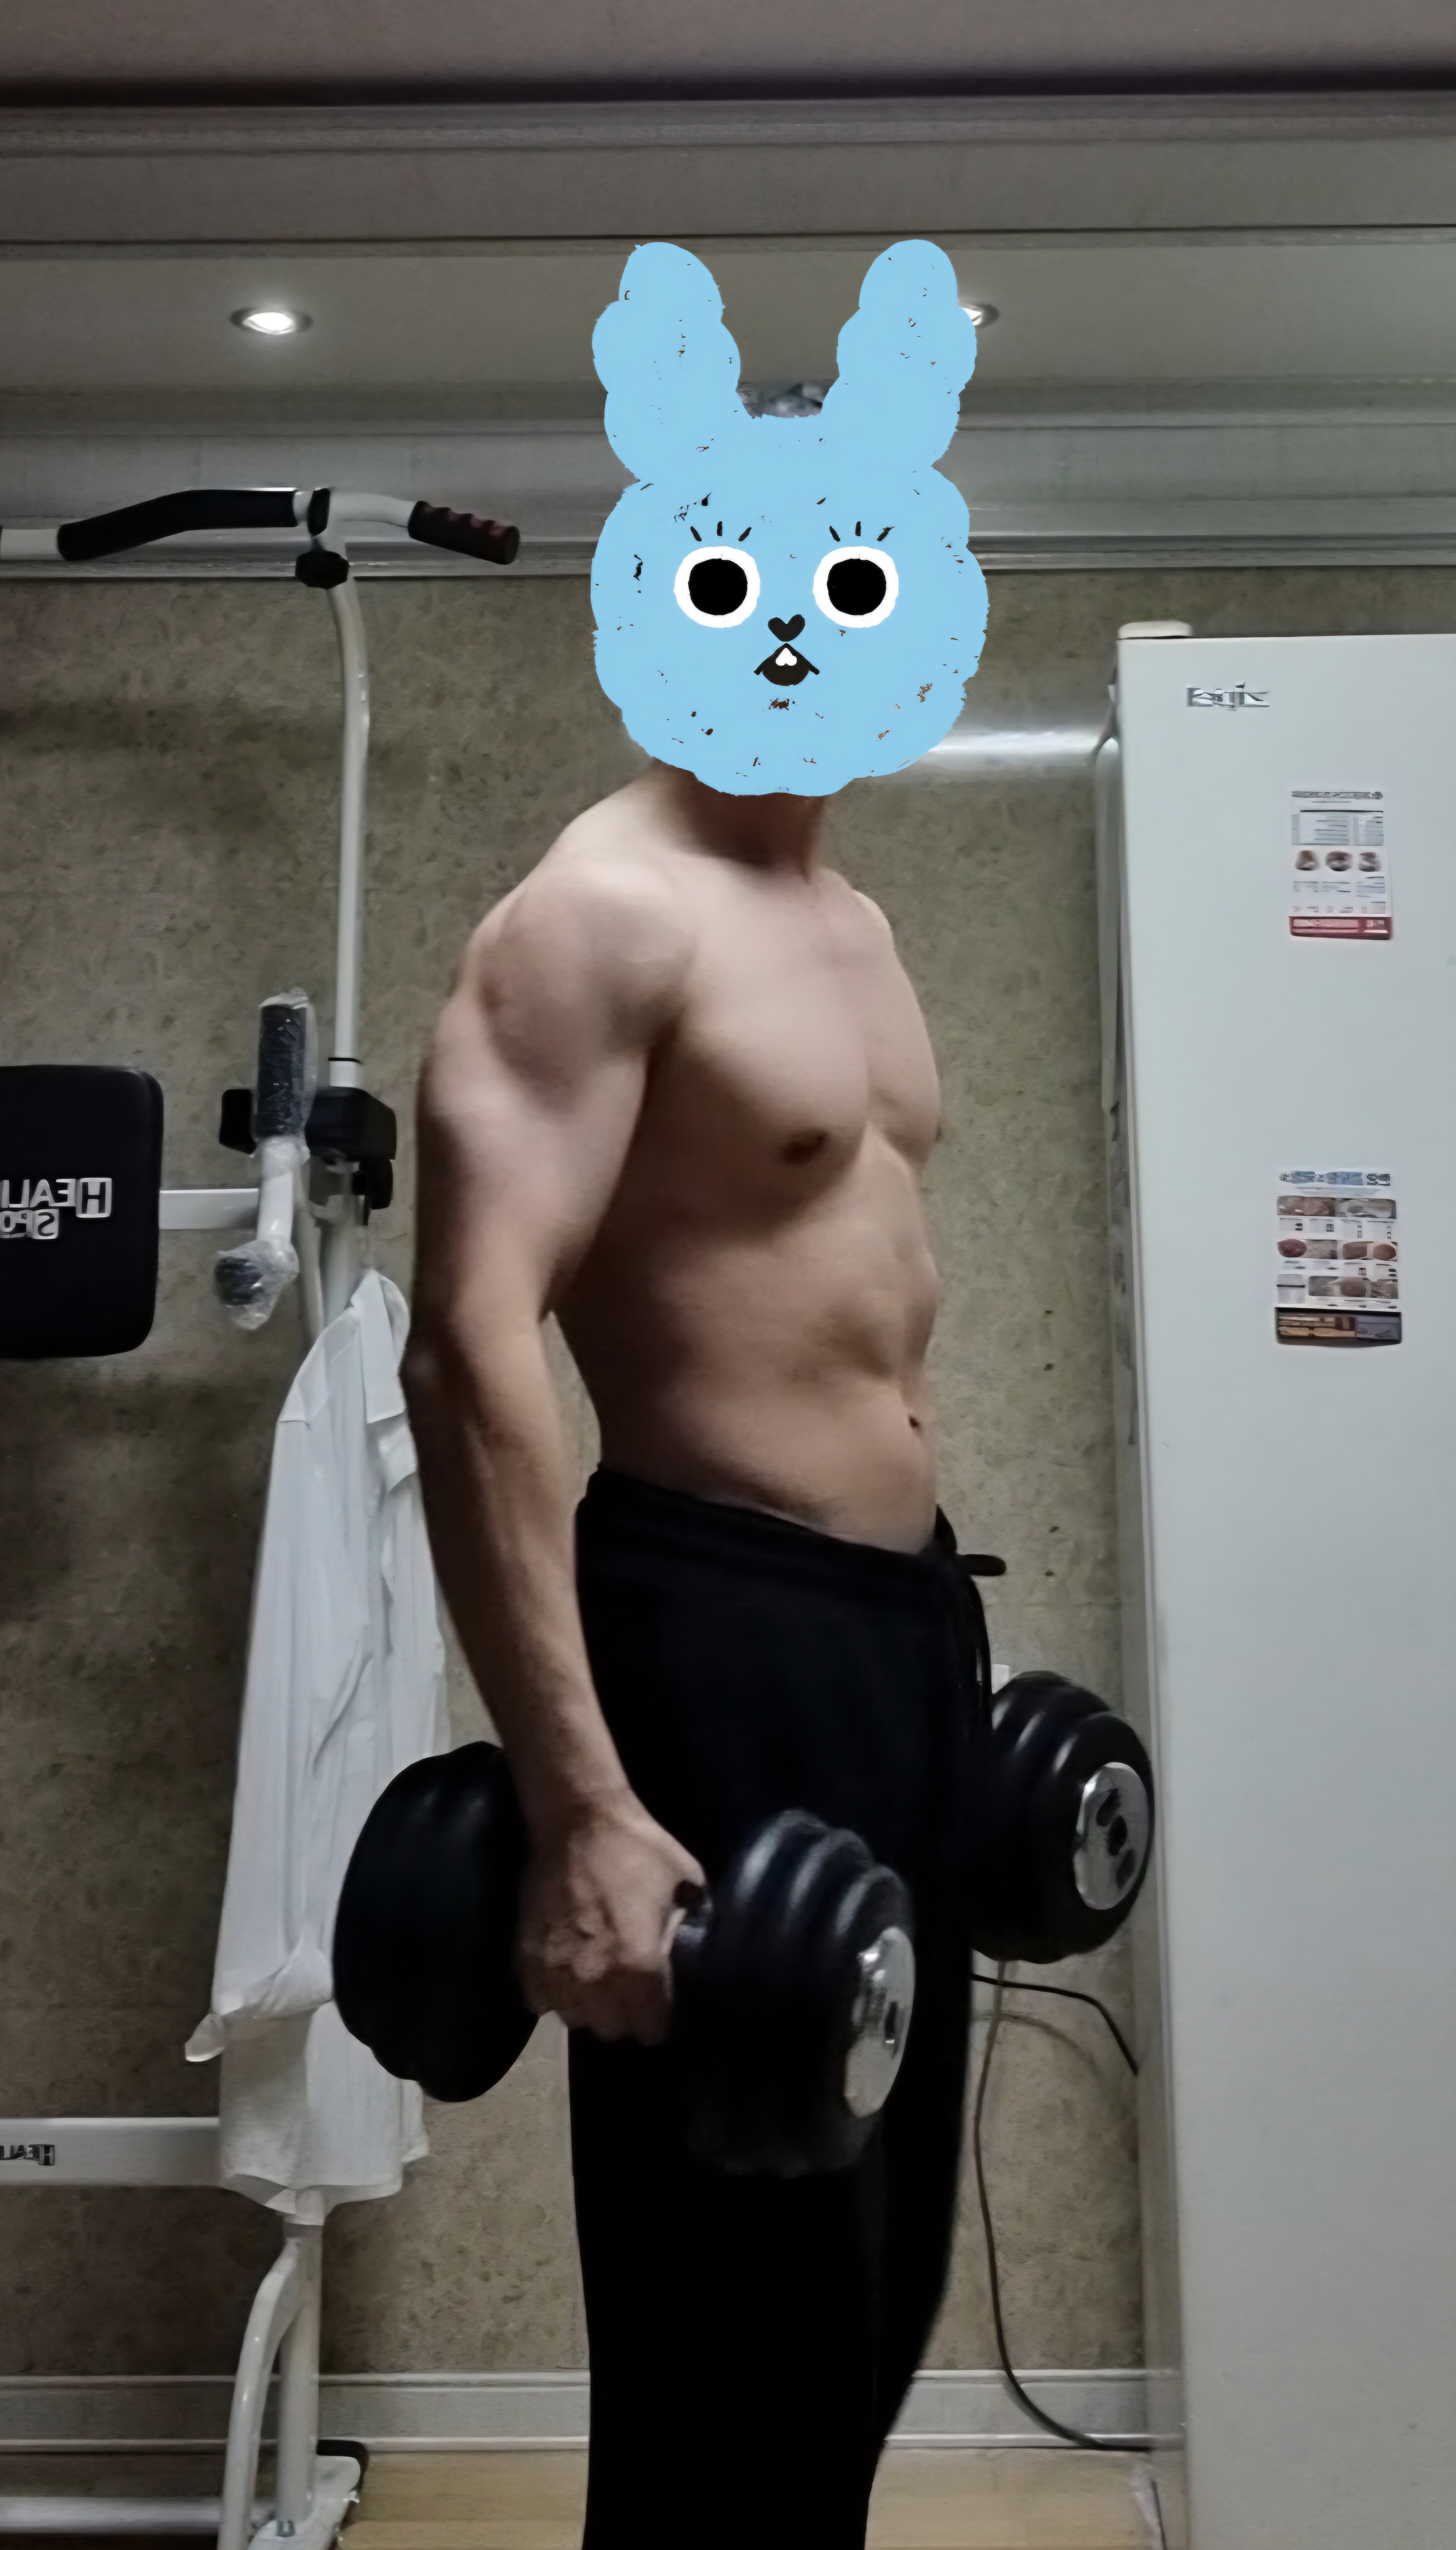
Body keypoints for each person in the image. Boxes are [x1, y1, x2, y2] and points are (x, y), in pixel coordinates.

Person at [403, 759, 978, 2548]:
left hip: (908, 1625)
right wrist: (581, 1807)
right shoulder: (601, 915)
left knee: (875, 2282)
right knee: (734, 2302)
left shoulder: (854, 921)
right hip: (721, 1625)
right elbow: (466, 1346)